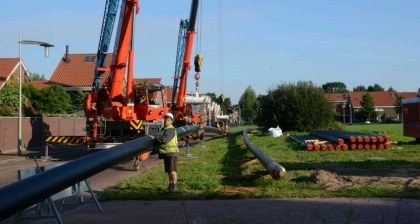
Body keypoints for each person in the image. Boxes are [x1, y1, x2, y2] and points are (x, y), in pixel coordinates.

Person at [149, 112, 179, 193]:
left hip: (171, 153)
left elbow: (164, 139)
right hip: (167, 153)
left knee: (172, 171)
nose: (166, 121)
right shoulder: (164, 129)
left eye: (168, 120)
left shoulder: (170, 129)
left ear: (171, 121)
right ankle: (170, 186)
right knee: (169, 171)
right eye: (165, 119)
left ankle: (175, 187)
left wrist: (155, 139)